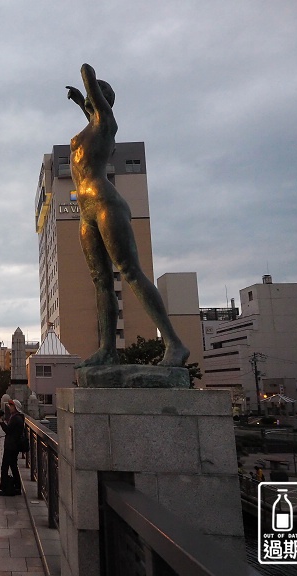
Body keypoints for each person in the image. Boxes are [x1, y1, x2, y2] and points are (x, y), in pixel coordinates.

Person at [65, 63, 190, 368]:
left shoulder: (108, 123)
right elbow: (90, 111)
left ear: (104, 101)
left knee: (130, 272)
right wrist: (80, 100)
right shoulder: (91, 127)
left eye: (98, 98)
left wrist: (87, 84)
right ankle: (108, 349)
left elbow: (88, 75)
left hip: (107, 203)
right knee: (100, 281)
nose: (93, 102)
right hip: (86, 212)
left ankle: (175, 344)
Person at [0, 399, 25, 496]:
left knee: (5, 467)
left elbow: (7, 430)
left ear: (15, 407)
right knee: (13, 466)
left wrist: (1, 422)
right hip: (14, 446)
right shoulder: (19, 417)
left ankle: (3, 488)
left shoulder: (16, 418)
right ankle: (17, 487)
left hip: (11, 446)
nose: (10, 408)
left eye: (11, 406)